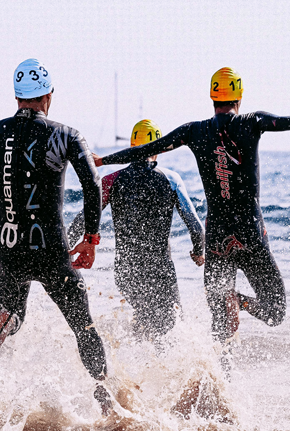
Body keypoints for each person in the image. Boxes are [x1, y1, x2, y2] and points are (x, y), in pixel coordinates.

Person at [95, 67, 290, 343]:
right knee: (275, 312)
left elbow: (150, 148)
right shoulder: (253, 122)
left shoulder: (193, 131)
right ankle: (239, 300)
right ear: (238, 96)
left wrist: (103, 160)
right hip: (250, 235)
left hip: (217, 241)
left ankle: (213, 387)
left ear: (213, 97)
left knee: (220, 331)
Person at [0, 58, 114, 412]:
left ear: (17, 97)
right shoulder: (65, 135)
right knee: (84, 328)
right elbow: (93, 187)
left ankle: (5, 321)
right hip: (52, 249)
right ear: (48, 96)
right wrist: (91, 238)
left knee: (12, 313)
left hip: (8, 248)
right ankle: (107, 400)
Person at [67, 119, 205, 340]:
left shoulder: (112, 180)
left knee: (145, 318)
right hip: (160, 270)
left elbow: (83, 220)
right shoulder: (172, 180)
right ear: (159, 149)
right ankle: (151, 370)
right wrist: (199, 252)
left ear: (131, 146)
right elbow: (196, 228)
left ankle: (129, 366)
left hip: (125, 270)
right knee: (170, 326)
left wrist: (66, 249)